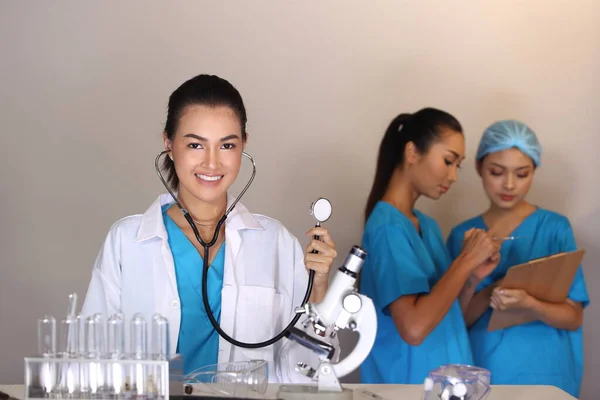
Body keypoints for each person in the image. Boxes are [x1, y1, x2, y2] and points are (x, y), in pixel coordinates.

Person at [81, 74, 339, 383]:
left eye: (227, 145)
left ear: (244, 144)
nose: (212, 163)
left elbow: (306, 375)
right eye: (195, 144)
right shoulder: (126, 242)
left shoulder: (276, 243)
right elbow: (90, 359)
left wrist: (319, 291)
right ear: (168, 143)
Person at [446, 120, 589, 397]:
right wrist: (489, 289)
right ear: (478, 167)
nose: (509, 184)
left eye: (522, 174)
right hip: (481, 371)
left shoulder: (555, 229)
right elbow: (455, 322)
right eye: (497, 172)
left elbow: (573, 317)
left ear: (534, 171)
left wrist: (531, 303)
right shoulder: (463, 236)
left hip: (547, 374)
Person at [359, 108, 501, 384]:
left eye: (457, 166)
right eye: (448, 161)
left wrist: (472, 277)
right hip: (410, 385)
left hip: (451, 383)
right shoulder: (387, 229)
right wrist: (465, 261)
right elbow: (414, 327)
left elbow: (445, 314)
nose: (453, 176)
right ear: (412, 153)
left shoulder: (428, 226)